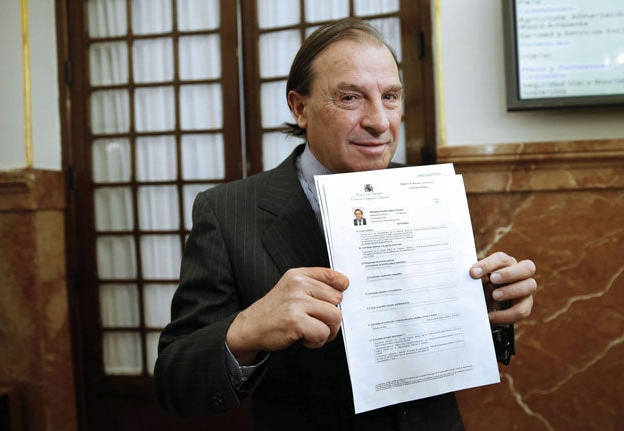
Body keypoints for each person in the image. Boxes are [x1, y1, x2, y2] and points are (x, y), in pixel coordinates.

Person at [154, 17, 537, 430]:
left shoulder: (429, 193)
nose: (379, 121)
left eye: (390, 96)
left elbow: (449, 343)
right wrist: (246, 329)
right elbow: (175, 381)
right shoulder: (228, 212)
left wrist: (480, 307)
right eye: (351, 97)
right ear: (300, 108)